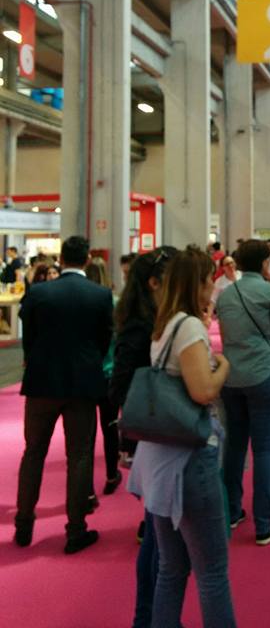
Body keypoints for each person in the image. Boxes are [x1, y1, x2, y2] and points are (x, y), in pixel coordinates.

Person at [128, 246, 236, 628]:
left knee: (171, 569)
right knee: (212, 572)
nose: (213, 286)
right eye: (209, 280)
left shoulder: (166, 323)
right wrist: (223, 367)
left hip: (161, 458)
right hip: (189, 458)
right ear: (197, 283)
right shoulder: (188, 326)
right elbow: (203, 391)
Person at [14, 235, 113, 554]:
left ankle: (24, 524)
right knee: (80, 456)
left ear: (61, 258)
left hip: (42, 381)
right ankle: (75, 530)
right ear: (87, 259)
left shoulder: (39, 292)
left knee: (33, 453)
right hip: (82, 383)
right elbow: (104, 339)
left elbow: (28, 336)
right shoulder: (100, 295)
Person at [110, 245, 177, 628]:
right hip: (154, 437)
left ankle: (151, 617)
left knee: (158, 535)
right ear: (154, 283)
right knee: (156, 537)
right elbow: (121, 385)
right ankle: (147, 617)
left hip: (156, 435)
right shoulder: (140, 325)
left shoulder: (152, 319)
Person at [217, 239, 270, 546]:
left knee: (235, 446)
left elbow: (225, 337)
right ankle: (263, 524)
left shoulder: (225, 294)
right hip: (262, 372)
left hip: (231, 377)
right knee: (262, 449)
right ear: (264, 263)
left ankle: (232, 512)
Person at [85, 256, 121, 506]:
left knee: (85, 435)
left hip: (87, 374)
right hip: (110, 373)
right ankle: (111, 475)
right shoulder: (114, 302)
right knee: (110, 428)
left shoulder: (81, 304)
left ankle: (87, 487)